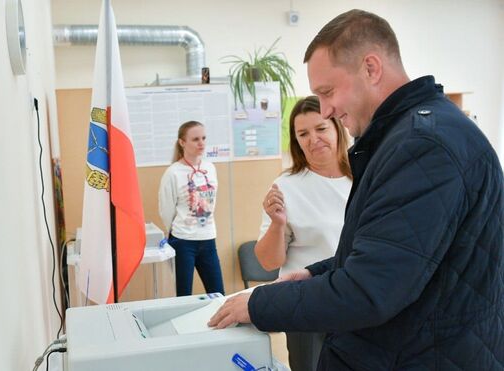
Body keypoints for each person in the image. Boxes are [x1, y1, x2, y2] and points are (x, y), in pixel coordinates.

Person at [210, 9, 503, 370]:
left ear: (371, 68)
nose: (328, 109)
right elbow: (399, 251)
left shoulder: (422, 147)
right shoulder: (408, 136)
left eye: (328, 92)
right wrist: (317, 274)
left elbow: (371, 290)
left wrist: (257, 305)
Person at [254, 96, 352, 371]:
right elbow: (269, 262)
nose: (313, 139)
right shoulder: (287, 186)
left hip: (356, 300)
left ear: (337, 129)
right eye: (303, 134)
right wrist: (277, 223)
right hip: (306, 305)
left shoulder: (363, 177)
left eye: (321, 129)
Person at [159, 121, 225, 296]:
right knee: (183, 295)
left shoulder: (210, 168)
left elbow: (212, 202)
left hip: (208, 238)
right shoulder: (173, 173)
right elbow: (166, 210)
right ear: (182, 142)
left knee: (218, 293)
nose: (201, 143)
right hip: (182, 241)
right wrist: (178, 231)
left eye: (203, 138)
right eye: (195, 139)